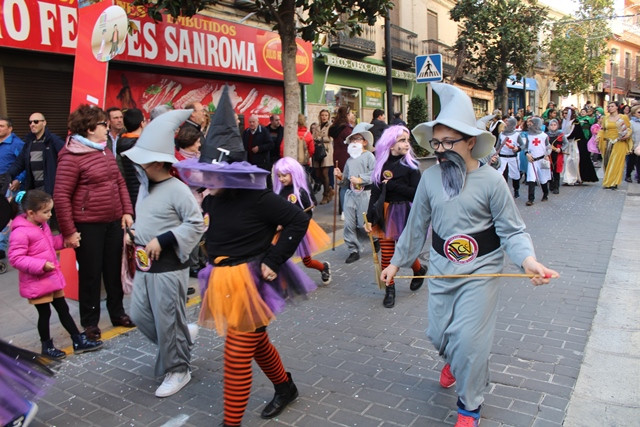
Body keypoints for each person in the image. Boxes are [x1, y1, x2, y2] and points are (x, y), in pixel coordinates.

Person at [383, 82, 557, 427]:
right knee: (439, 334)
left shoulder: (492, 181)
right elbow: (417, 225)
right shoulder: (430, 178)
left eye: (449, 142)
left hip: (482, 270)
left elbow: (512, 230)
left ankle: (469, 406)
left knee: (469, 340)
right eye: (436, 143)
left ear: (471, 142)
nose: (441, 149)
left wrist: (528, 261)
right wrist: (396, 262)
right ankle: (455, 361)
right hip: (442, 267)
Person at [174, 123, 315, 424]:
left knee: (237, 355)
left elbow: (297, 221)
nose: (205, 180)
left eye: (212, 175)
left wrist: (274, 260)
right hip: (223, 281)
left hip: (253, 283)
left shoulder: (259, 198)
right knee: (257, 342)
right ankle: (285, 387)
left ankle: (231, 423)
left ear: (230, 174)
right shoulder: (212, 197)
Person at [122, 109, 205, 398]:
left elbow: (197, 224)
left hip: (168, 267)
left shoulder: (178, 189)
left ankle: (178, 368)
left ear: (156, 162)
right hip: (144, 266)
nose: (137, 166)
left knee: (167, 321)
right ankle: (181, 338)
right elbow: (146, 217)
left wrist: (165, 238)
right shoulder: (146, 188)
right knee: (140, 314)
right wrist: (133, 233)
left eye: (142, 161)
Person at [54, 104, 135, 341]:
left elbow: (119, 182)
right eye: (103, 124)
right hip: (88, 224)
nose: (106, 127)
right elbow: (61, 196)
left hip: (113, 222)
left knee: (114, 270)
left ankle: (117, 313)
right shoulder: (71, 156)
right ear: (90, 128)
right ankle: (90, 323)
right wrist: (69, 232)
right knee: (90, 274)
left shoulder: (104, 150)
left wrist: (126, 210)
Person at [8, 190, 103, 358]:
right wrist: (41, 265)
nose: (49, 215)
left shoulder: (41, 225)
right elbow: (16, 258)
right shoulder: (20, 232)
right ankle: (47, 346)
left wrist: (66, 241)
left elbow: (49, 244)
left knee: (63, 309)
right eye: (46, 212)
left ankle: (77, 340)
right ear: (31, 213)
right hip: (37, 281)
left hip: (51, 278)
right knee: (44, 314)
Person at [364, 125, 425, 308]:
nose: (407, 144)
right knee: (388, 253)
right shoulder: (381, 164)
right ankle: (390, 289)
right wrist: (368, 219)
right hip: (384, 213)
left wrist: (392, 186)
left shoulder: (411, 166)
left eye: (407, 140)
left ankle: (419, 269)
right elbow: (374, 195)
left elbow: (417, 193)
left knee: (405, 251)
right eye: (402, 140)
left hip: (405, 212)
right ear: (391, 144)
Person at [272, 157, 331, 285]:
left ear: (293, 173)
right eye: (279, 176)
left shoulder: (300, 191)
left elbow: (308, 213)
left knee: (307, 262)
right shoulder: (278, 191)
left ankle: (323, 268)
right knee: (277, 257)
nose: (281, 179)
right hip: (282, 230)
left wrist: (295, 223)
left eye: (284, 175)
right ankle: (281, 285)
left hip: (300, 230)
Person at [333, 123, 376, 263]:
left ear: (364, 142)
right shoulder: (349, 160)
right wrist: (340, 176)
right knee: (349, 224)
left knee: (362, 224)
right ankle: (353, 249)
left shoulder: (369, 156)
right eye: (352, 140)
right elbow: (345, 181)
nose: (354, 142)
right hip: (350, 195)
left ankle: (375, 238)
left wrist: (360, 179)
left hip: (365, 195)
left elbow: (376, 175)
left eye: (357, 139)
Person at [7, 112, 65, 197]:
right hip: (34, 189)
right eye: (30, 122)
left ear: (44, 123)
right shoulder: (29, 143)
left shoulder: (53, 140)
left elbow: (66, 158)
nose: (32, 124)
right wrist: (7, 177)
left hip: (51, 189)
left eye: (36, 121)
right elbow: (19, 164)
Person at [0, 115, 25, 259]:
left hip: (9, 184)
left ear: (10, 128)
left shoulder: (17, 144)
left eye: (2, 126)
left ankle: (2, 249)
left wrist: (18, 180)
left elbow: (23, 164)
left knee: (6, 217)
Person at [598, 101, 632, 189]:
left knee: (615, 162)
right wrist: (598, 137)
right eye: (609, 106)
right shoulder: (605, 118)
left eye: (612, 106)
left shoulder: (623, 117)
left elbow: (628, 128)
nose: (610, 108)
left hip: (619, 142)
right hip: (608, 142)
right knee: (607, 162)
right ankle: (609, 180)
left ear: (617, 107)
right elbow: (602, 129)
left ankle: (613, 182)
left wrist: (626, 135)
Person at [116, 108, 146, 209]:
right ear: (142, 123)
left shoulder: (122, 142)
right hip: (141, 189)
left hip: (128, 189)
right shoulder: (139, 145)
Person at [329, 106, 354, 215]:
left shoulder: (335, 127)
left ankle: (342, 210)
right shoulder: (347, 129)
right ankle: (345, 210)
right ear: (347, 115)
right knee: (346, 184)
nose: (353, 115)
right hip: (346, 157)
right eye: (351, 113)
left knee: (342, 183)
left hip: (337, 157)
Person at [522, 117, 551, 206]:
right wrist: (527, 154)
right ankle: (531, 199)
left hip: (541, 159)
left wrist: (547, 155)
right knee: (531, 179)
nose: (530, 125)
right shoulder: (529, 136)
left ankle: (545, 194)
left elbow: (548, 147)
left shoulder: (544, 136)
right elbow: (526, 147)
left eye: (532, 123)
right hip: (532, 160)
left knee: (543, 179)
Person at [495, 117, 524, 198]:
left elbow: (522, 145)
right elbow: (498, 146)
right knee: (501, 174)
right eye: (506, 123)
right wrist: (494, 153)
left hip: (512, 158)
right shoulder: (501, 134)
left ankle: (516, 190)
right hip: (502, 157)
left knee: (515, 174)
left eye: (507, 124)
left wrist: (517, 148)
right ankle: (504, 191)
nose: (506, 125)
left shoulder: (516, 135)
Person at [312, 109, 334, 205]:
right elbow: (312, 137)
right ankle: (329, 189)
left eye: (326, 115)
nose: (324, 117)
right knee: (318, 173)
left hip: (326, 151)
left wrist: (319, 138)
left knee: (325, 173)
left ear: (328, 116)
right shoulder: (316, 126)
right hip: (317, 151)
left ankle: (325, 195)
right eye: (322, 115)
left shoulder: (331, 126)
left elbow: (330, 138)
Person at [545, 119, 567, 194]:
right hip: (549, 155)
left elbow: (566, 143)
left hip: (558, 155)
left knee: (556, 171)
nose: (553, 126)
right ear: (549, 126)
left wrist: (560, 149)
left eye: (554, 125)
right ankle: (551, 183)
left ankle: (556, 186)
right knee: (549, 170)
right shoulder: (546, 135)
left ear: (557, 126)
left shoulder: (561, 134)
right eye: (551, 125)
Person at [626, 104, 640, 183]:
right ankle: (628, 175)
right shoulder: (631, 123)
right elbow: (629, 135)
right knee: (631, 162)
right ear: (634, 113)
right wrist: (630, 146)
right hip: (633, 146)